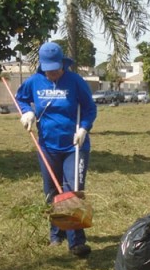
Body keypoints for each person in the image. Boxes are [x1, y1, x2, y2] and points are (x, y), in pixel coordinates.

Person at [15, 42, 98, 257]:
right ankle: (56, 234)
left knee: (72, 191)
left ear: (63, 64)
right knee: (51, 191)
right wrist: (27, 112)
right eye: (48, 69)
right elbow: (21, 98)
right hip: (47, 146)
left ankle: (76, 242)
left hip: (74, 146)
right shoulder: (34, 81)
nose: (52, 73)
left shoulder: (75, 81)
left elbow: (89, 108)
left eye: (56, 68)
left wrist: (84, 128)